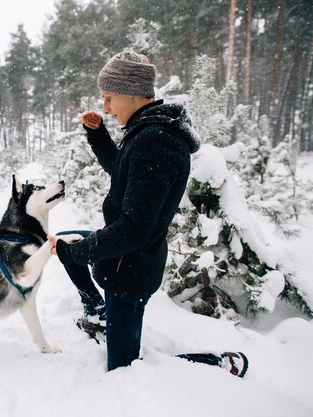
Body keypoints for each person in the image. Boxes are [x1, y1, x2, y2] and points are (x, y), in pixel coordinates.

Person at [47, 51, 248, 376]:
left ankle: (219, 364)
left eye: (109, 99)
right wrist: (98, 136)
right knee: (66, 243)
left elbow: (133, 229)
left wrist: (79, 252)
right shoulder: (148, 132)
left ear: (130, 92)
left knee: (127, 368)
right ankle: (98, 314)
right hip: (125, 259)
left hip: (130, 273)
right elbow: (123, 170)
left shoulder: (156, 141)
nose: (107, 108)